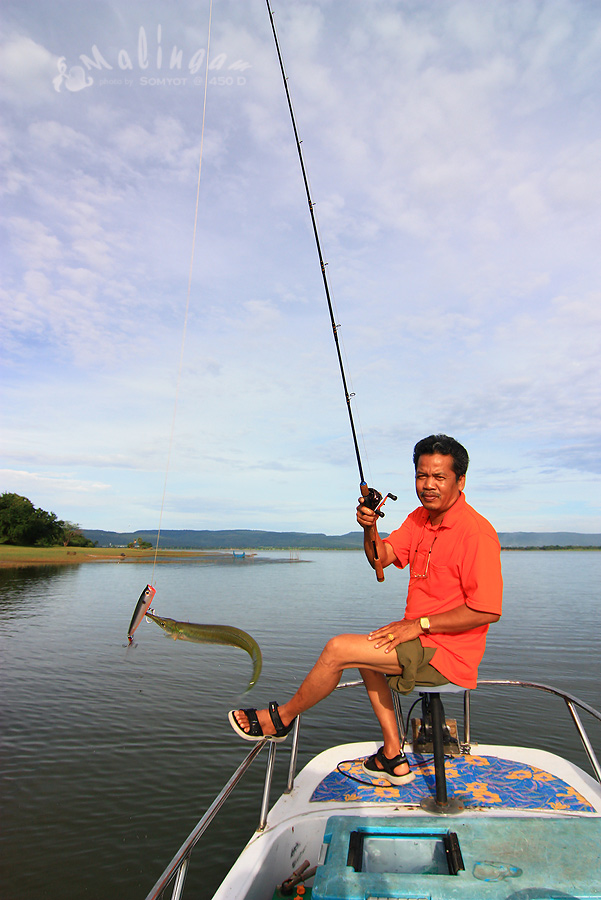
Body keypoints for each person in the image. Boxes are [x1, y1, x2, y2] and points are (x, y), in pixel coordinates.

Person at [229, 434, 503, 785]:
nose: (428, 485)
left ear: (460, 480)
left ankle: (280, 719)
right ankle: (392, 754)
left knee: (338, 649)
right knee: (366, 652)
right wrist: (370, 526)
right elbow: (381, 557)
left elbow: (487, 610)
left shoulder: (476, 533)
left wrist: (418, 625)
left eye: (439, 477)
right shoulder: (419, 519)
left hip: (449, 653)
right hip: (420, 639)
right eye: (422, 476)